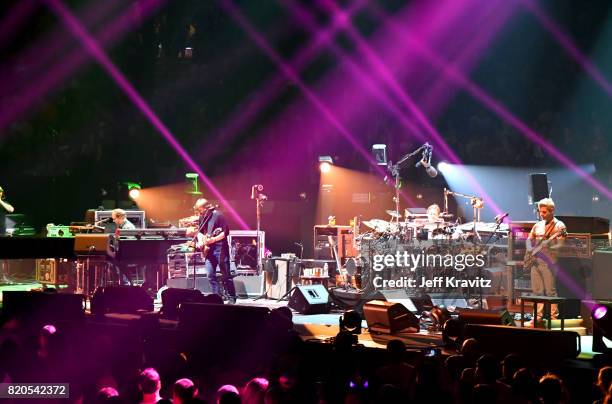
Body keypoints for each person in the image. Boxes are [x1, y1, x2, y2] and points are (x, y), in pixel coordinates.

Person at [525, 198, 566, 319]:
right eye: (540, 211)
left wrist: (550, 246)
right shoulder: (537, 225)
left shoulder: (559, 226)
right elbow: (529, 239)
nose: (541, 214)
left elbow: (561, 245)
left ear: (552, 211)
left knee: (550, 292)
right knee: (537, 291)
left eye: (544, 212)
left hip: (549, 263)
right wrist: (529, 249)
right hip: (535, 262)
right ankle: (537, 318)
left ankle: (553, 318)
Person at [194, 198, 236, 304]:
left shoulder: (218, 215)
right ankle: (217, 298)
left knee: (225, 275)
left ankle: (232, 297)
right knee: (210, 274)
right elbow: (199, 231)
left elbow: (225, 232)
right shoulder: (202, 217)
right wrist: (201, 241)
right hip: (209, 250)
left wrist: (213, 239)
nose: (200, 212)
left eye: (201, 210)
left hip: (220, 248)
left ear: (207, 208)